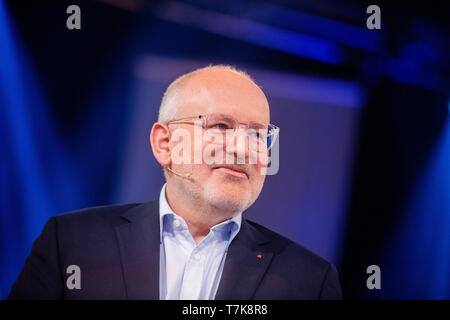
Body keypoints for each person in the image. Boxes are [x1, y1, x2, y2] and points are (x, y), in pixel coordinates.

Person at [8, 65, 342, 300]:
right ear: (165, 144)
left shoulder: (309, 280)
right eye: (221, 127)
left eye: (258, 134)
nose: (242, 148)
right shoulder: (70, 243)